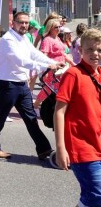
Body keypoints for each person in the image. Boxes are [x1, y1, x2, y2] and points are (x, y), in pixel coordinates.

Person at [0, 12, 63, 159]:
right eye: (21, 22)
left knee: (31, 118)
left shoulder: (23, 38)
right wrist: (47, 65)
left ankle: (44, 150)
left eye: (26, 23)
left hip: (21, 84)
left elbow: (34, 53)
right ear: (13, 23)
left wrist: (51, 62)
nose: (24, 25)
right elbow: (20, 60)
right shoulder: (8, 39)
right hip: (7, 84)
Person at [54, 28, 101, 207]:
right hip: (81, 147)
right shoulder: (73, 74)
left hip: (97, 143)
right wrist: (60, 148)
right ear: (80, 51)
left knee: (92, 197)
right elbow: (59, 111)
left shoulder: (99, 74)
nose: (95, 54)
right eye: (90, 49)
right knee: (96, 195)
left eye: (99, 50)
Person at [33, 19, 73, 109]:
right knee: (48, 88)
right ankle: (35, 106)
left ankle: (58, 107)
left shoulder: (58, 38)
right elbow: (44, 55)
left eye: (59, 27)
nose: (58, 29)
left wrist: (71, 62)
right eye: (56, 27)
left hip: (61, 68)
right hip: (53, 68)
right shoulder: (47, 40)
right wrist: (46, 68)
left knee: (58, 87)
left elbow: (62, 53)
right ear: (50, 28)